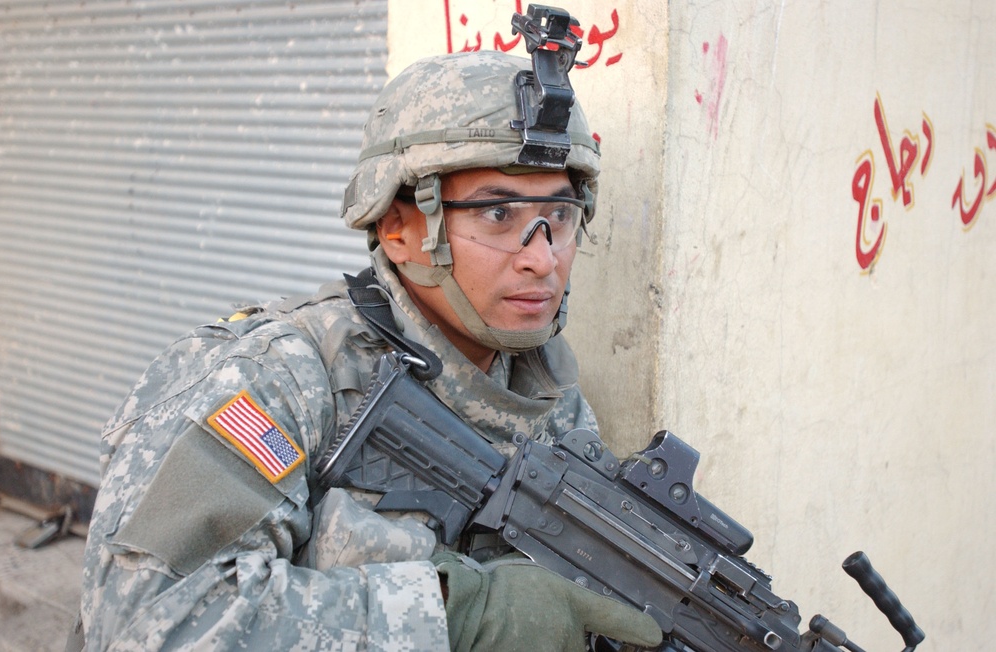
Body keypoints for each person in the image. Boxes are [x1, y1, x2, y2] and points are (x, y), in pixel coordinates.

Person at [78, 45, 664, 651]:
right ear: (398, 227)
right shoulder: (282, 380)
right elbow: (148, 623)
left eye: (560, 217)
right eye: (497, 213)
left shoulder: (548, 398)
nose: (542, 257)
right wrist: (459, 613)